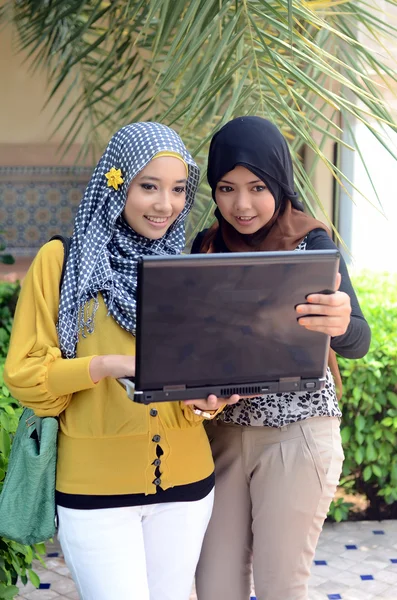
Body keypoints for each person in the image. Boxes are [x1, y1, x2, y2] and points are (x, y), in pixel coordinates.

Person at [4, 122, 239, 600]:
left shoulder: (185, 265)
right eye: (148, 186)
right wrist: (108, 364)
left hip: (186, 485)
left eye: (177, 190)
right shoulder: (61, 262)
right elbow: (26, 375)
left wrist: (209, 401)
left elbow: (196, 377)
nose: (164, 205)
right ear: (116, 184)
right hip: (95, 491)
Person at [192, 116, 371, 600]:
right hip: (222, 437)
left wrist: (338, 324)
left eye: (256, 186)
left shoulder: (311, 242)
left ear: (279, 181)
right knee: (214, 588)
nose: (241, 204)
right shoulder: (205, 248)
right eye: (227, 188)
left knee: (280, 589)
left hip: (297, 436)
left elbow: (359, 339)